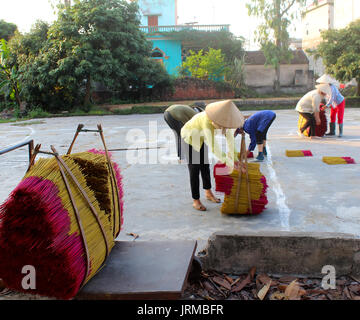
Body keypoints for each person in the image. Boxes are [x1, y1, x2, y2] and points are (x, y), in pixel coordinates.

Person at [181, 100, 245, 211]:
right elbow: (215, 148)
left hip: (201, 138)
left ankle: (208, 192)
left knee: (205, 166)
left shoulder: (227, 121)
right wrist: (230, 163)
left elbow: (230, 141)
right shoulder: (206, 121)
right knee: (195, 169)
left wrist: (234, 160)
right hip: (191, 137)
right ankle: (196, 200)